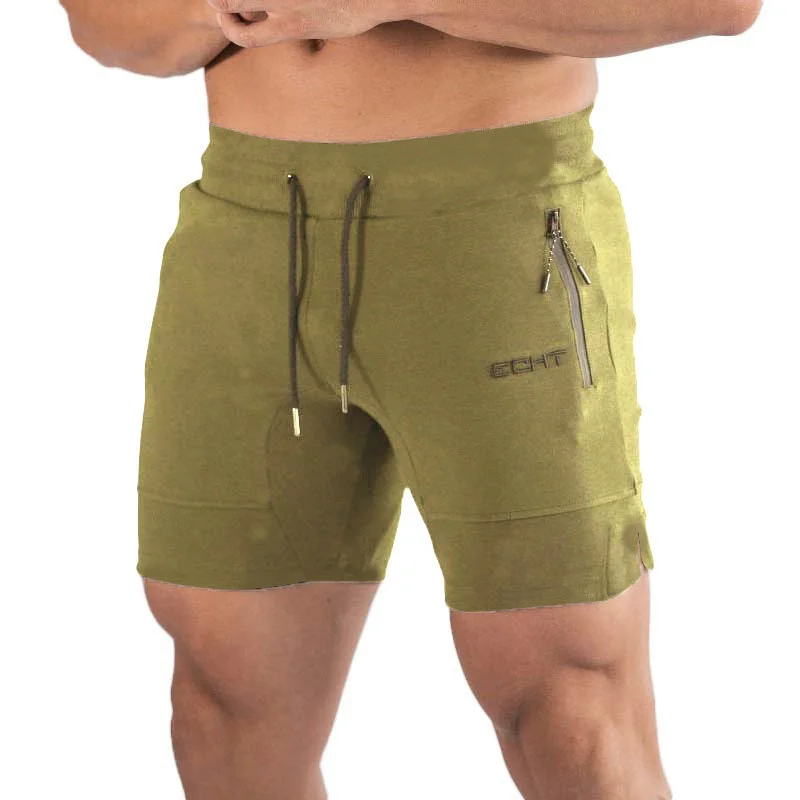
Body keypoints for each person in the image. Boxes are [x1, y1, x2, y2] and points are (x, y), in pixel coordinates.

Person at [59, 1, 762, 797]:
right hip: (245, 233)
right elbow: (101, 23)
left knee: (571, 711)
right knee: (223, 709)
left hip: (493, 227)